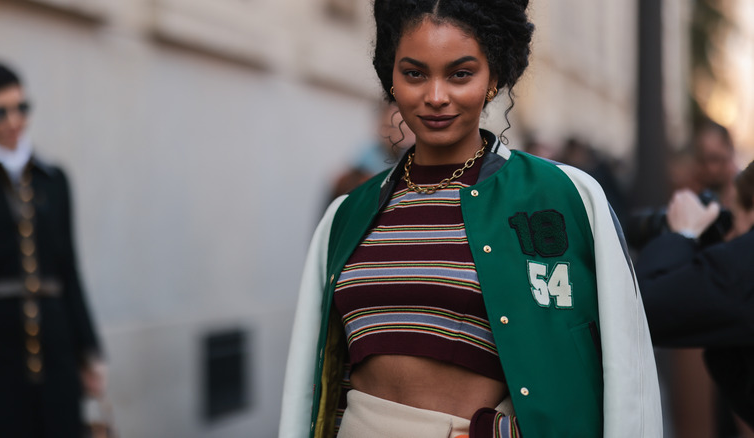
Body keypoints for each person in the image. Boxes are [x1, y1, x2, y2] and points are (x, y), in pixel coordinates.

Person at [280, 1, 661, 437]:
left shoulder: (565, 198)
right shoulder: (346, 215)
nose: (436, 96)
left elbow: (626, 374)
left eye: (460, 74)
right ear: (391, 77)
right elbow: (308, 389)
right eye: (414, 73)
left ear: (494, 76)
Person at [0, 61, 104, 437]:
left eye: (22, 108)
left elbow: (69, 269)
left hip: (56, 350)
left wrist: (90, 351)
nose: (14, 120)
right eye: (0, 111)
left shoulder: (54, 179)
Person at [637, 160, 754, 431]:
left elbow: (641, 309)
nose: (732, 236)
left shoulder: (744, 264)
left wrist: (683, 233)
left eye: (733, 219)